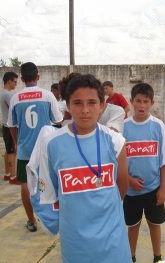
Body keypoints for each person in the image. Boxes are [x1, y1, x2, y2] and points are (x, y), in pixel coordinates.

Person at [37, 74, 131, 263]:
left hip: (112, 241)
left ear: (102, 106)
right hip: (76, 243)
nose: (85, 110)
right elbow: (49, 194)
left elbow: (122, 187)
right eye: (78, 103)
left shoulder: (115, 141)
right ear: (68, 105)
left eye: (92, 103)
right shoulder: (52, 144)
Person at [7, 62, 62, 232]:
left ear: (22, 78)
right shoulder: (47, 96)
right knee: (52, 182)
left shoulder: (15, 98)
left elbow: (11, 125)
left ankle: (31, 220)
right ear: (38, 77)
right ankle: (53, 218)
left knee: (25, 183)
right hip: (46, 149)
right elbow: (58, 121)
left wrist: (18, 141)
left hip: (25, 150)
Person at [123, 83, 165, 263]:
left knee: (155, 224)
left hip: (154, 188)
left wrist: (163, 189)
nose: (141, 105)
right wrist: (128, 180)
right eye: (138, 101)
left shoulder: (158, 127)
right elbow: (115, 161)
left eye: (145, 101)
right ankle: (131, 257)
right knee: (133, 226)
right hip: (130, 191)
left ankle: (157, 257)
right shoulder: (123, 127)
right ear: (131, 102)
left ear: (152, 103)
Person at [0, 71, 19, 184]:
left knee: (8, 150)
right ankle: (13, 176)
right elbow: (15, 109)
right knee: (12, 152)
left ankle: (7, 174)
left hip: (4, 125)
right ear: (9, 81)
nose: (16, 84)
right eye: (15, 82)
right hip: (10, 126)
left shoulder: (2, 93)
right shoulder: (8, 95)